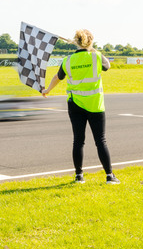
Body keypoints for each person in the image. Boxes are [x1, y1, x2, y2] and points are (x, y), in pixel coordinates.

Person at [42, 29, 120, 185]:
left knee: (78, 141)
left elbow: (58, 77)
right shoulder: (96, 56)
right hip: (95, 105)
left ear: (75, 42)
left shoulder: (68, 60)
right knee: (100, 141)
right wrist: (92, 49)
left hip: (75, 104)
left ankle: (79, 176)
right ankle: (109, 176)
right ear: (90, 42)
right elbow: (107, 66)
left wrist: (48, 89)